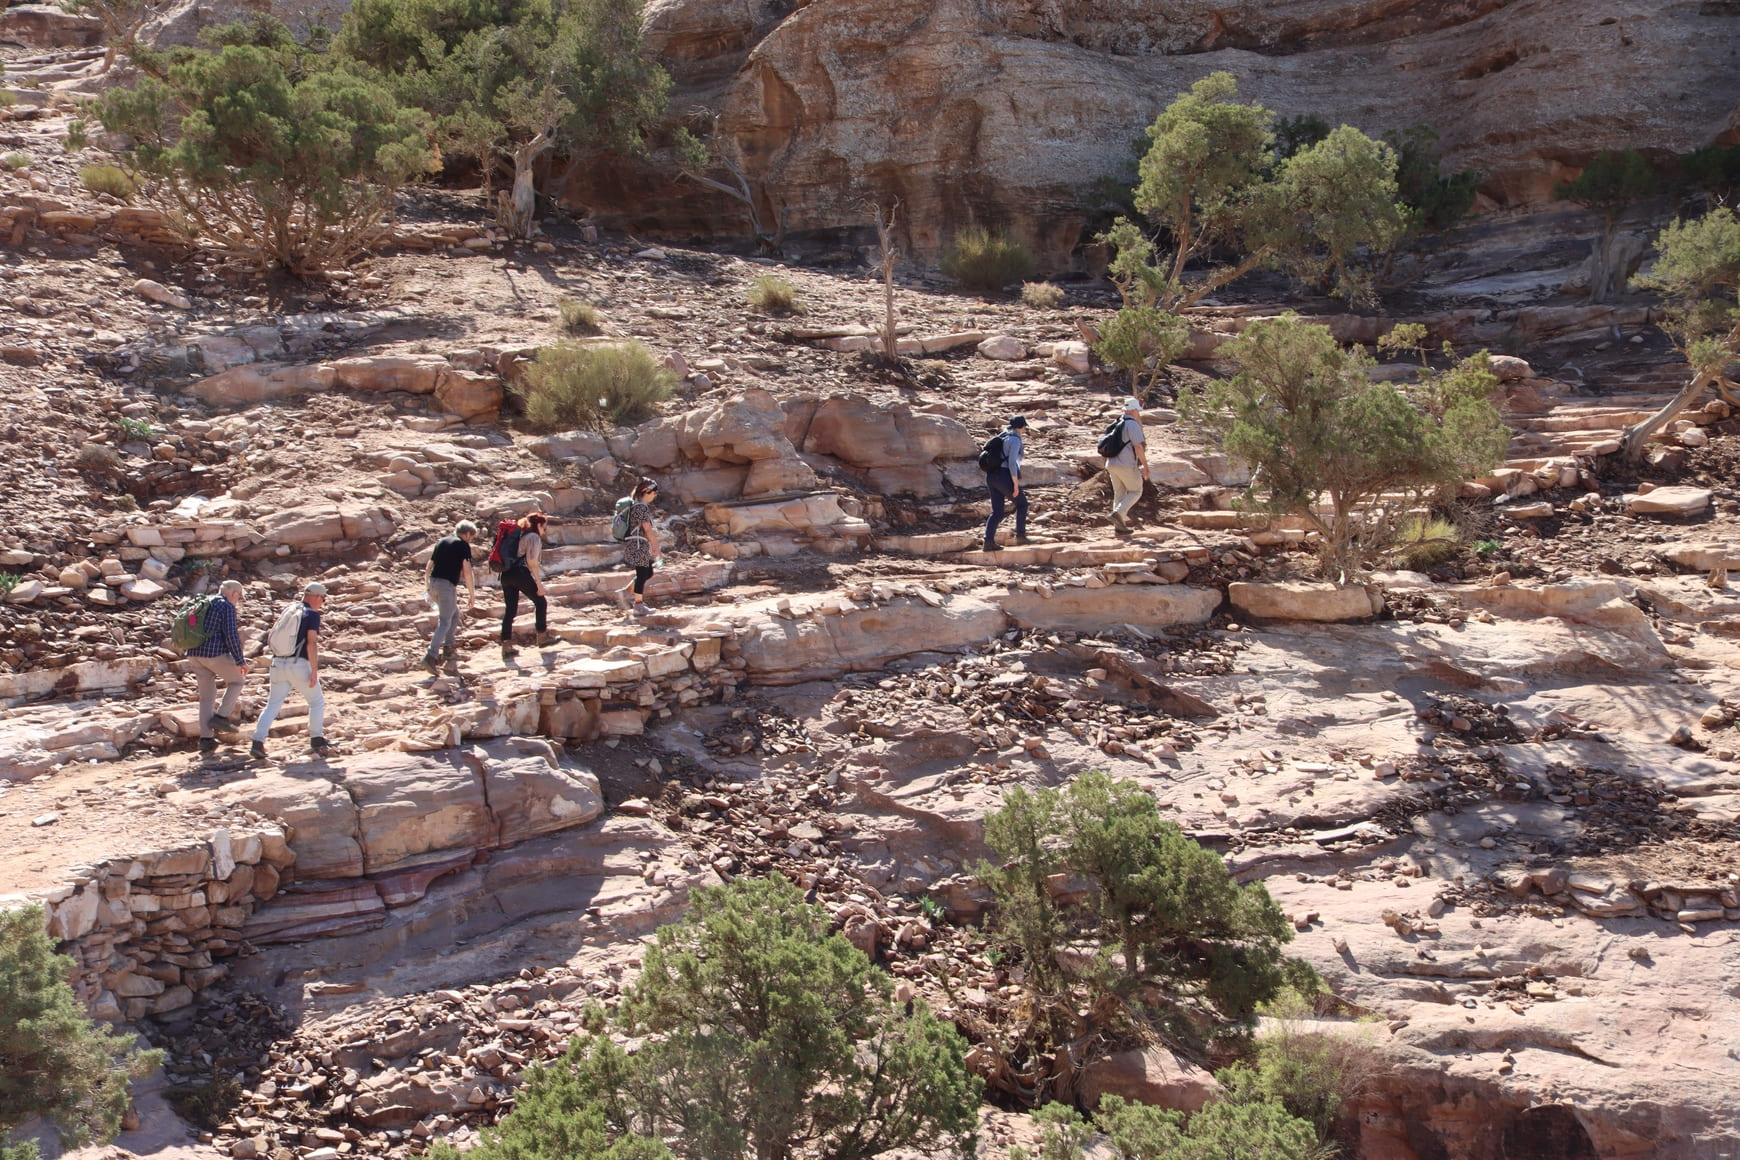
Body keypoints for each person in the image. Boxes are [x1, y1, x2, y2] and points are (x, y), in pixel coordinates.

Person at [251, 581, 329, 760]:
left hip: (278, 663)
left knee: (272, 705)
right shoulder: (311, 614)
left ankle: (257, 742)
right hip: (298, 664)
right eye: (323, 599)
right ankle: (317, 740)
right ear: (317, 596)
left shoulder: (290, 610)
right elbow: (311, 642)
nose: (322, 602)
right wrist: (314, 669)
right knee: (316, 701)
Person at [187, 579, 246, 753]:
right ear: (234, 593)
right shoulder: (226, 606)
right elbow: (231, 636)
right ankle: (220, 717)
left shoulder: (202, 602)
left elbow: (190, 624)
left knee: (206, 698)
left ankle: (206, 740)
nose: (238, 600)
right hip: (213, 654)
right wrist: (240, 660)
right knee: (237, 681)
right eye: (239, 596)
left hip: (193, 654)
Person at [423, 519, 477, 671]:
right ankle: (431, 656)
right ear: (466, 534)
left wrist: (427, 585)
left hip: (434, 583)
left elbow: (430, 565)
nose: (470, 540)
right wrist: (471, 594)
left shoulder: (442, 541)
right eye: (471, 537)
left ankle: (448, 648)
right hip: (446, 586)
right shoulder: (462, 545)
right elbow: (467, 571)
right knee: (445, 621)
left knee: (454, 614)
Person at [500, 511, 552, 657]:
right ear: (539, 525)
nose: (544, 531)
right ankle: (542, 637)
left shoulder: (518, 536)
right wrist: (539, 584)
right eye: (544, 527)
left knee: (510, 610)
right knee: (541, 602)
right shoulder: (533, 537)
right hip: (520, 573)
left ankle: (506, 645)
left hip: (505, 575)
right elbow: (532, 562)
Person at [616, 478, 662, 619]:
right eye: (654, 492)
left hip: (637, 543)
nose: (655, 495)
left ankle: (625, 592)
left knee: (648, 573)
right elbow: (647, 529)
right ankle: (638, 605)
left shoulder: (637, 506)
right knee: (643, 574)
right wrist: (655, 546)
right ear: (646, 492)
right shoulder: (641, 507)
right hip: (638, 544)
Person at [1104, 397, 1150, 536]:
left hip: (1111, 463)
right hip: (1126, 464)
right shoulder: (1132, 424)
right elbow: (1137, 446)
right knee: (1136, 490)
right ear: (1134, 410)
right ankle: (1118, 514)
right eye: (1137, 410)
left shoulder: (1116, 422)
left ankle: (1119, 527)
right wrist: (1146, 466)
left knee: (1120, 494)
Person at [983, 415, 1029, 552]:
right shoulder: (1015, 440)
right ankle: (1020, 536)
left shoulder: (1003, 436)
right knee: (1022, 504)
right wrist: (1015, 484)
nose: (1025, 429)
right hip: (1004, 475)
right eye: (1025, 426)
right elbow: (1012, 463)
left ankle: (988, 542)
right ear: (1021, 427)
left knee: (997, 511)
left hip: (991, 476)